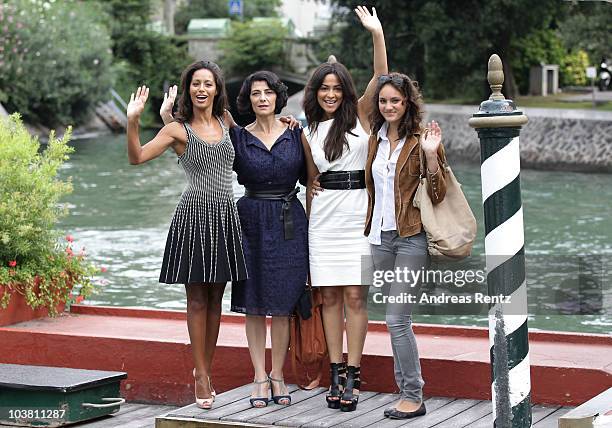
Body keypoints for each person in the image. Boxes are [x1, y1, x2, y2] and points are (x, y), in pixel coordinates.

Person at [160, 72, 305, 409]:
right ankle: (257, 378)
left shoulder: (296, 133)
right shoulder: (235, 134)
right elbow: (198, 144)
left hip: (286, 218)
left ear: (278, 97)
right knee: (252, 298)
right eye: (256, 93)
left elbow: (312, 176)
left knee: (282, 301)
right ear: (247, 100)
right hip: (247, 220)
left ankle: (278, 375)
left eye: (269, 92)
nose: (263, 98)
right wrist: (167, 118)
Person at [126, 60, 248, 410]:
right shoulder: (177, 131)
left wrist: (284, 125)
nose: (201, 89)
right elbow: (136, 157)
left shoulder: (226, 121)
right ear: (189, 88)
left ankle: (206, 371)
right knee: (196, 300)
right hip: (194, 217)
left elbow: (250, 148)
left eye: (208, 83)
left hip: (225, 217)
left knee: (215, 302)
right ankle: (201, 375)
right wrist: (133, 121)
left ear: (216, 89)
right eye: (196, 83)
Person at [301, 5, 387, 412]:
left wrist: (376, 34)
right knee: (330, 297)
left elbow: (382, 77)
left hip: (358, 214)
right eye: (324, 89)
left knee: (355, 295)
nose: (331, 94)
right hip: (323, 217)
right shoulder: (306, 128)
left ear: (345, 91)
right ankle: (335, 371)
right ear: (315, 93)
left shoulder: (363, 115)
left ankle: (354, 374)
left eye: (336, 88)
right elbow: (309, 179)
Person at [364, 72, 446, 420]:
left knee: (397, 318)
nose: (388, 106)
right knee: (393, 319)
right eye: (383, 100)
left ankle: (413, 395)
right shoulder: (374, 140)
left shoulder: (423, 139)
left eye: (395, 100)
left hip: (411, 238)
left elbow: (439, 194)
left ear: (407, 103)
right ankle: (405, 392)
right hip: (380, 238)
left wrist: (430, 156)